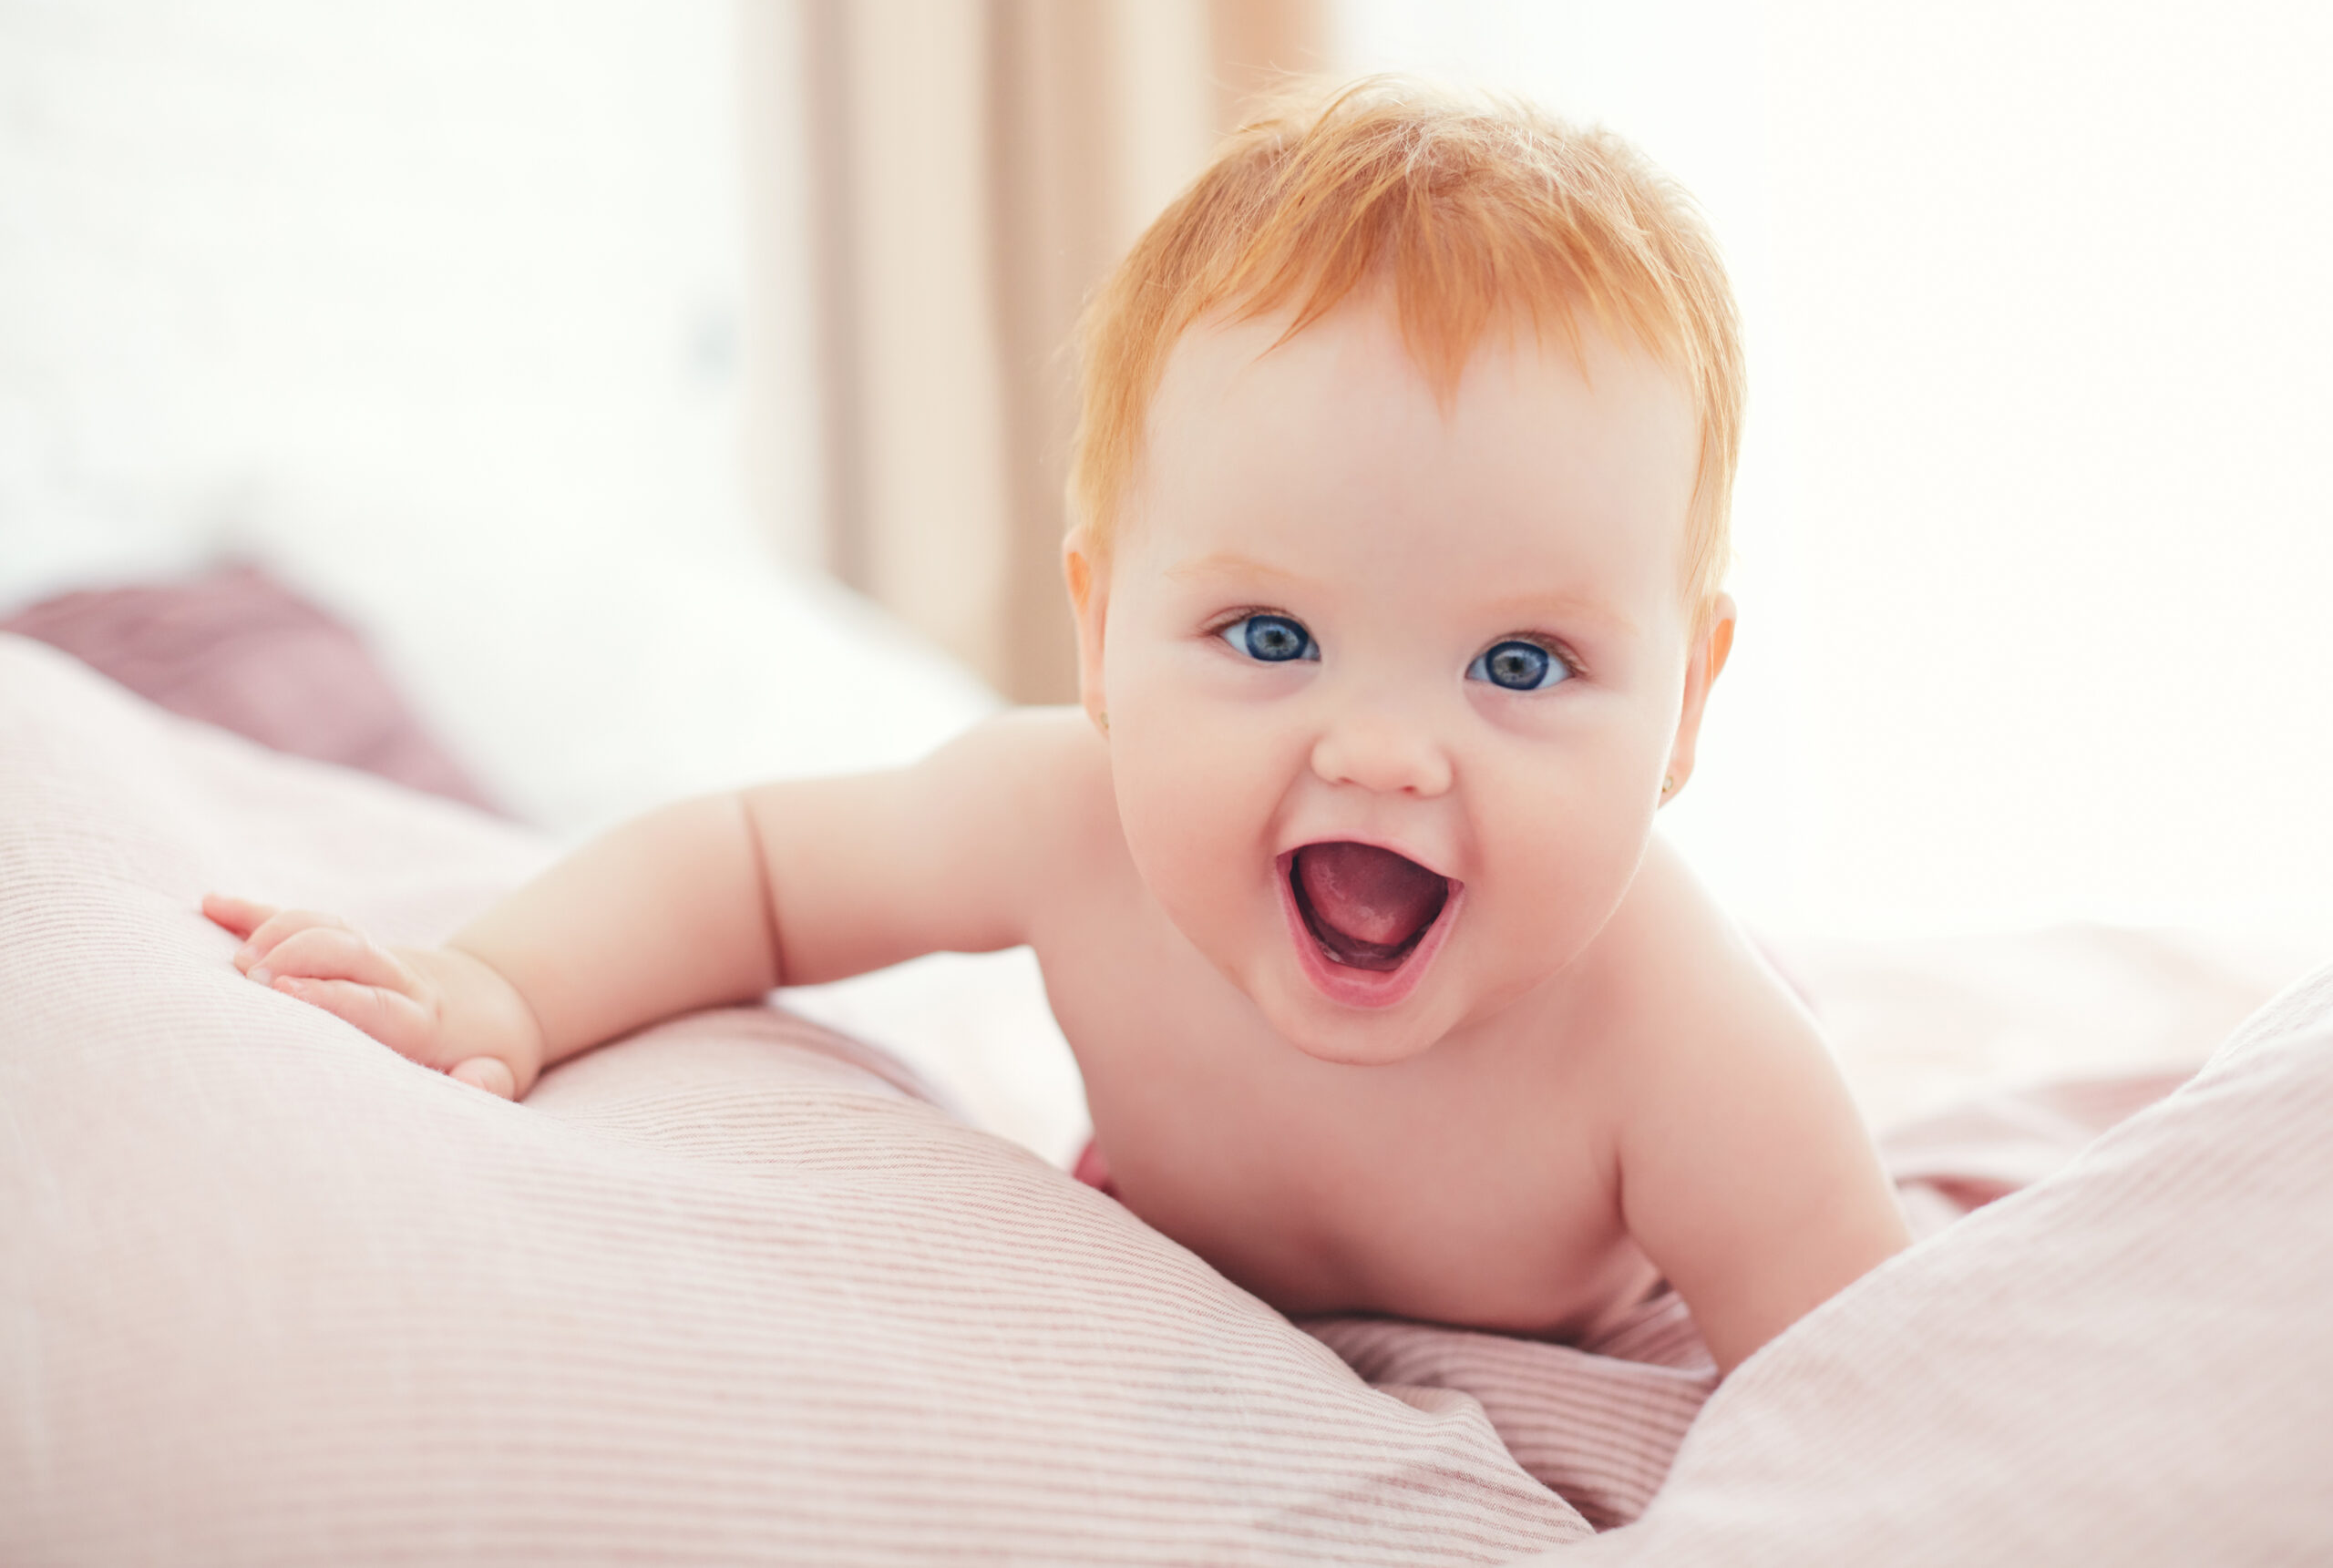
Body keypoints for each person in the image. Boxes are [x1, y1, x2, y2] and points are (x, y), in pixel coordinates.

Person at [205, 77, 1909, 1375]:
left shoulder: (1688, 1044)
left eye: (1521, 666)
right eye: (1270, 635)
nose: (1386, 754)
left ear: (1686, 706)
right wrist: (503, 982)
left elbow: (1885, 1397)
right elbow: (752, 867)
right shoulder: (1065, 817)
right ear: (1099, 635)